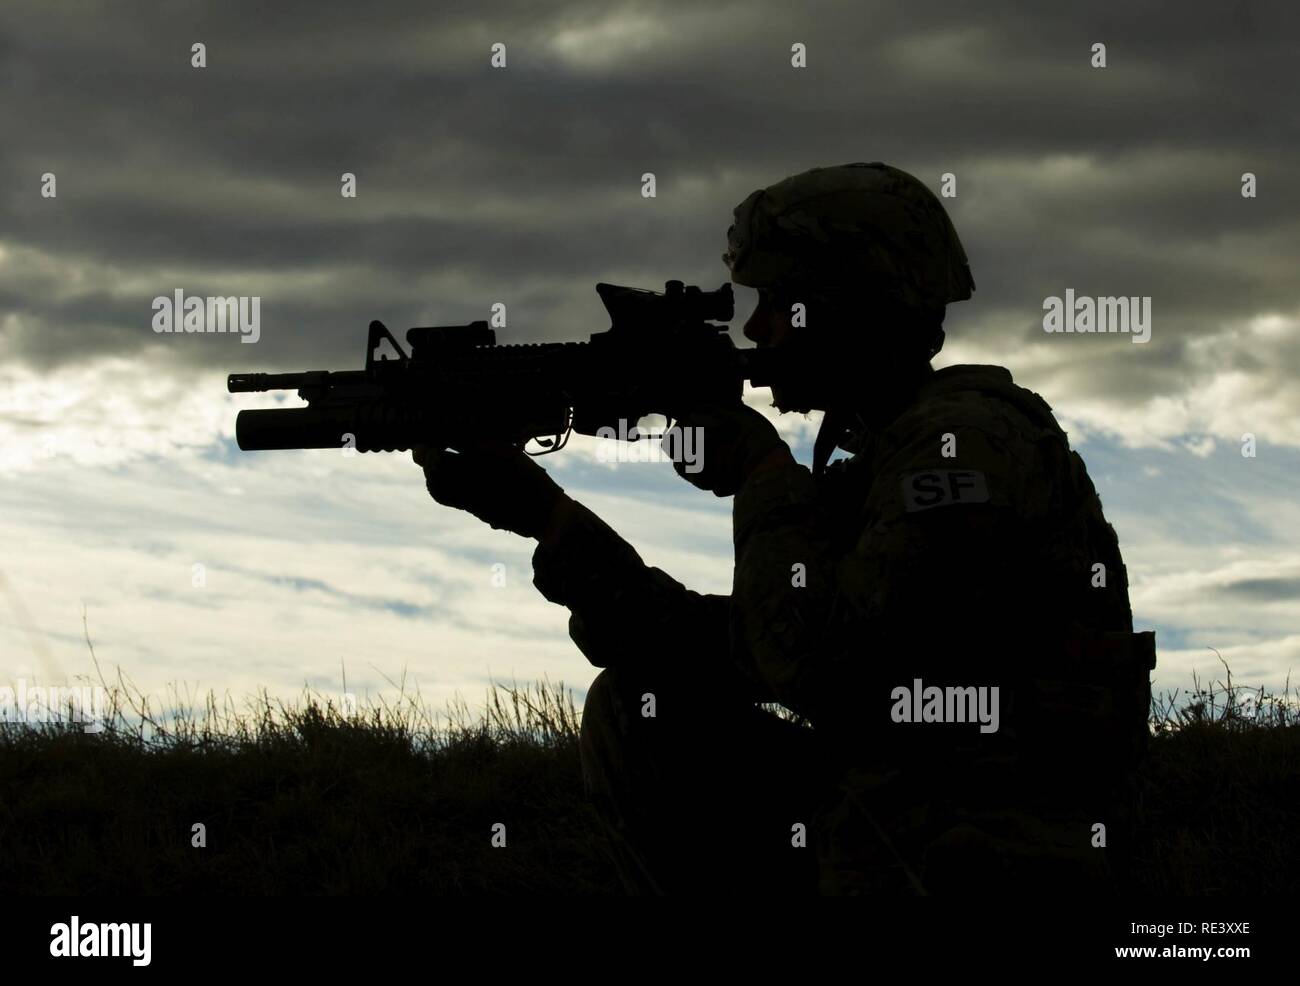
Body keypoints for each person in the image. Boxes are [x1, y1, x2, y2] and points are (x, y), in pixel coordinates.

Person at [413, 162, 1155, 895]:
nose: (757, 328)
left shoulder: (964, 445)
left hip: (993, 847)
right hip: (908, 805)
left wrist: (760, 468)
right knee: (638, 709)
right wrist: (549, 519)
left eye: (778, 301)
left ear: (851, 305)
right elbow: (746, 643)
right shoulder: (884, 451)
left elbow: (820, 666)